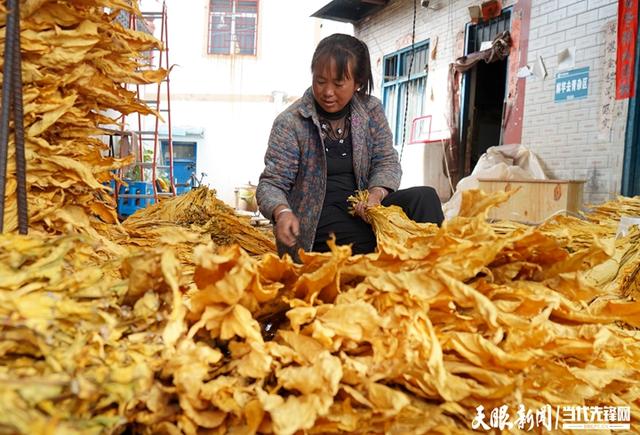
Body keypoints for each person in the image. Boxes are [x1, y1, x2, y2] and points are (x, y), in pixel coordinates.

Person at [257, 34, 444, 260]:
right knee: (368, 241)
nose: (327, 91)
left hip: (362, 211)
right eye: (320, 80)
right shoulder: (291, 122)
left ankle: (436, 269)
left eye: (338, 83)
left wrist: (376, 195)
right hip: (316, 221)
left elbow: (386, 161)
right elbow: (272, 183)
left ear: (358, 83)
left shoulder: (371, 110)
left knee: (425, 197)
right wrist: (282, 212)